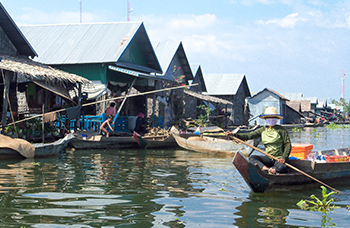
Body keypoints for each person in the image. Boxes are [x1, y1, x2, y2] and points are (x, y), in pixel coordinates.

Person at [226, 107, 291, 174]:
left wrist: (283, 158)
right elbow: (249, 135)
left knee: (282, 168)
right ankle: (265, 169)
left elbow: (287, 145)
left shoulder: (281, 130)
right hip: (269, 158)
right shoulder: (262, 130)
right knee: (252, 158)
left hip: (279, 159)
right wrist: (234, 135)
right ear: (265, 119)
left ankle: (274, 170)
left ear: (276, 119)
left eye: (273, 117)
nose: (271, 119)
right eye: (268, 117)